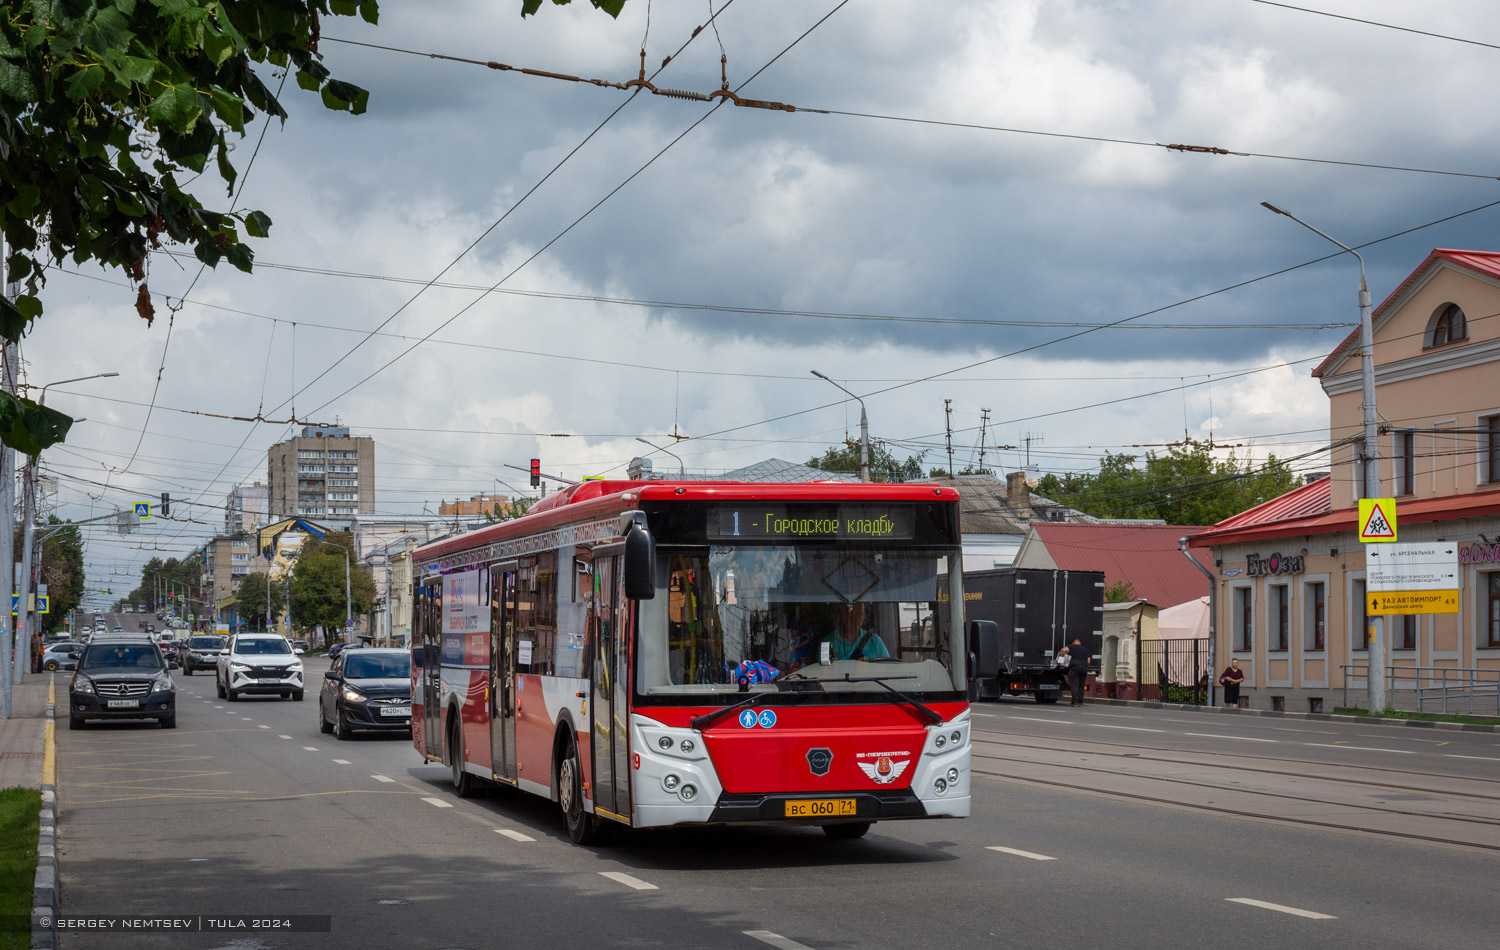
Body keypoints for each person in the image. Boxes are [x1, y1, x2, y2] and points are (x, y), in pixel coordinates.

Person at [820, 602, 890, 661]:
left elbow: (888, 668)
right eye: (849, 614)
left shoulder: (874, 641)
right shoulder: (828, 642)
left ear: (864, 616)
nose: (854, 619)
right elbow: (823, 673)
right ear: (842, 615)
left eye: (858, 614)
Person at [1065, 637, 1090, 706]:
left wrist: (1061, 656)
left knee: (1074, 685)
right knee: (1081, 685)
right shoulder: (1085, 649)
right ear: (1080, 643)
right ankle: (1080, 701)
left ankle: (1075, 701)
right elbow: (1088, 661)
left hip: (1074, 668)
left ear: (1073, 643)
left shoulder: (1070, 646)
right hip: (1084, 668)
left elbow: (1064, 650)